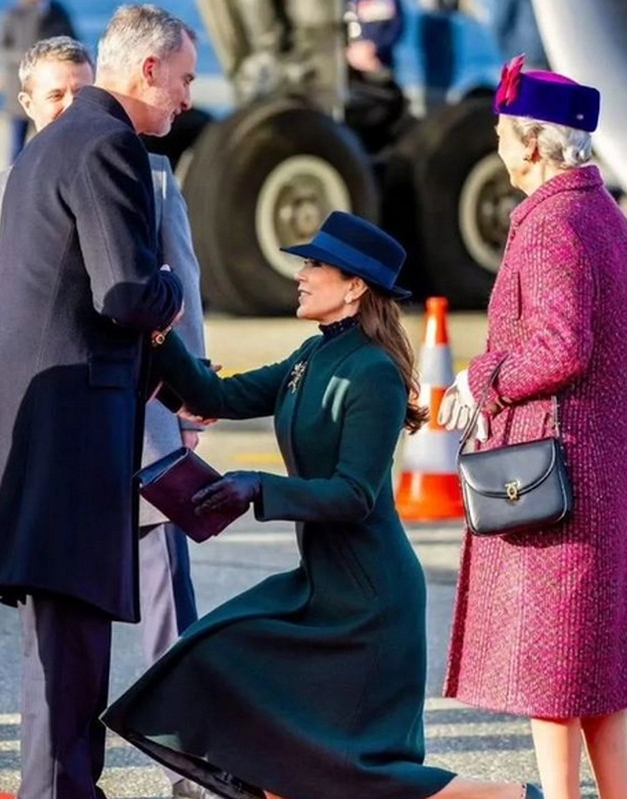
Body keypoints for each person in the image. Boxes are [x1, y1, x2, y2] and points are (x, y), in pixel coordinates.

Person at [102, 211, 542, 799]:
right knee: (222, 666)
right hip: (322, 588)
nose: (300, 275)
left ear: (355, 286)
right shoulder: (312, 356)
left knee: (358, 777)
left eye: (314, 264)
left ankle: (515, 797)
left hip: (369, 603)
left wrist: (259, 486)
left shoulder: (375, 373)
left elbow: (354, 496)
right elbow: (216, 395)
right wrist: (157, 331)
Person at [0, 31, 206, 799]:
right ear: (148, 68)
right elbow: (125, 293)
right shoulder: (108, 145)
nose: (187, 96)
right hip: (72, 440)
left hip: (42, 438)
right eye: (182, 77)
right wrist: (168, 292)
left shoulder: (53, 142)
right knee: (70, 654)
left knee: (59, 653)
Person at [438, 55, 627, 799]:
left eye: (501, 137)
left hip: (561, 472)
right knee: (597, 676)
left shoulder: (554, 224)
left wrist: (479, 378)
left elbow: (561, 344)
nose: (496, 152)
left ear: (531, 143)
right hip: (598, 464)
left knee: (556, 673)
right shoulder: (600, 213)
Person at [0, 0, 76, 163]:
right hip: (19, 88)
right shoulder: (13, 14)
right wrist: (28, 59)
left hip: (52, 90)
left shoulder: (57, 12)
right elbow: (2, 49)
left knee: (51, 142)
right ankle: (12, 181)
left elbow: (73, 41)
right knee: (17, 144)